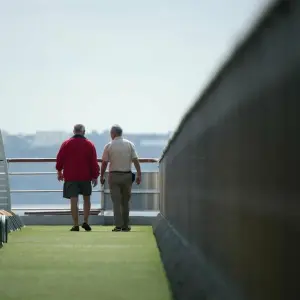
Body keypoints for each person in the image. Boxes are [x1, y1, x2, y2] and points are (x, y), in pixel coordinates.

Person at [56, 124, 99, 231]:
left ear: (74, 131)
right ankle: (85, 221)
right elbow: (93, 162)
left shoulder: (66, 144)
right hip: (85, 176)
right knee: (86, 198)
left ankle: (76, 224)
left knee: (73, 200)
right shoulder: (89, 144)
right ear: (83, 132)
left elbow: (60, 159)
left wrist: (59, 171)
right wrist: (95, 175)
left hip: (71, 176)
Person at [100, 125, 141, 232]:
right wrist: (139, 174)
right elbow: (135, 160)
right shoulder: (129, 144)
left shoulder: (109, 146)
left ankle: (118, 225)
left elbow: (104, 163)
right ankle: (126, 225)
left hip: (114, 176)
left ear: (113, 133)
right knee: (125, 202)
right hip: (127, 175)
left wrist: (101, 175)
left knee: (116, 202)